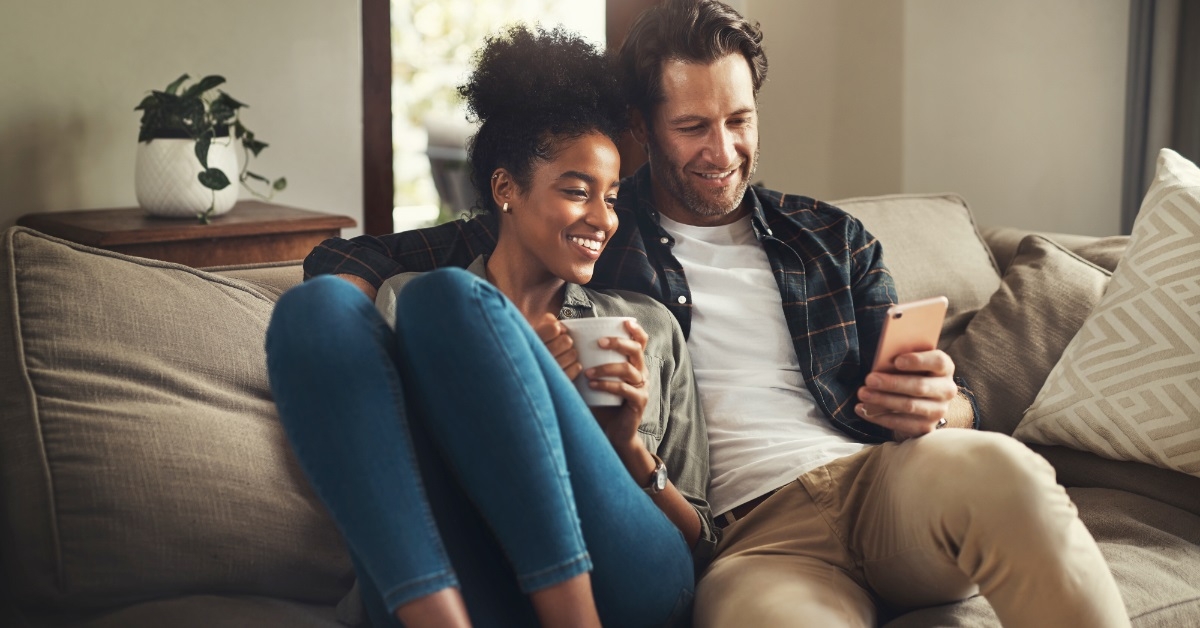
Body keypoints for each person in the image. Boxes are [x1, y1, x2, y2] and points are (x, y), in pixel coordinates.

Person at [305, 1, 1131, 626]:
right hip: (748, 542)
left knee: (1007, 470)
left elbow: (932, 391)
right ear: (643, 130)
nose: (724, 150)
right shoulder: (594, 232)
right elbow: (356, 260)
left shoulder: (829, 238)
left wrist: (945, 403)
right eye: (695, 127)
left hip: (886, 483)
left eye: (739, 121)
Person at [267, 25, 714, 628]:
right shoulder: (408, 303)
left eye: (610, 198)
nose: (602, 219)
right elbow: (394, 468)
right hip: (469, 570)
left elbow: (699, 541)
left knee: (451, 298)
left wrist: (623, 444)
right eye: (577, 191)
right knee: (312, 310)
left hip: (627, 575)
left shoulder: (648, 326)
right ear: (505, 188)